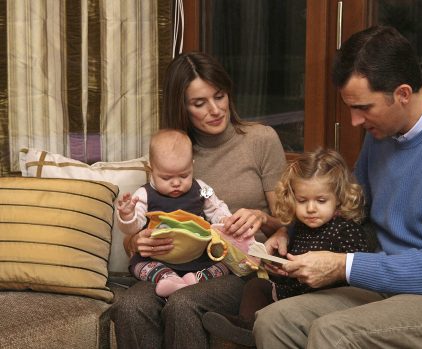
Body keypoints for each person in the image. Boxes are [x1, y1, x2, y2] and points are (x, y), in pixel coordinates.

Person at [254, 25, 422, 349]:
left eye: (363, 108)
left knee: (334, 333)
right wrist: (288, 231)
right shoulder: (382, 136)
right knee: (274, 322)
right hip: (394, 288)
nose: (355, 121)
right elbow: (350, 209)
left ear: (402, 94)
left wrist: (344, 266)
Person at [109, 52, 287, 349]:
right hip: (171, 265)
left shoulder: (261, 140)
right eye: (199, 103)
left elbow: (289, 224)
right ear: (182, 107)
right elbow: (139, 227)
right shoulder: (171, 155)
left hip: (236, 267)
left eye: (220, 96)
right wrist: (138, 242)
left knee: (182, 303)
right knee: (129, 306)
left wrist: (262, 218)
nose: (216, 110)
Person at [201, 148, 372, 346]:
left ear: (339, 198)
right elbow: (290, 261)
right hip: (292, 291)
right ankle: (246, 327)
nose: (310, 208)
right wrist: (279, 269)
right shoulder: (298, 228)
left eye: (321, 200)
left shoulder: (347, 230)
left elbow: (355, 273)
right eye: (302, 201)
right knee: (256, 286)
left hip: (325, 298)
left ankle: (249, 332)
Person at [115, 129, 232, 298]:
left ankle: (196, 279)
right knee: (138, 266)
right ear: (151, 170)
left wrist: (225, 219)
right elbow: (134, 227)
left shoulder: (202, 188)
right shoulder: (143, 194)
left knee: (225, 265)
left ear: (192, 165)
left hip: (199, 259)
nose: (176, 183)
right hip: (159, 260)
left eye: (184, 175)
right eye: (166, 178)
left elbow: (216, 207)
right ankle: (168, 278)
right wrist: (127, 216)